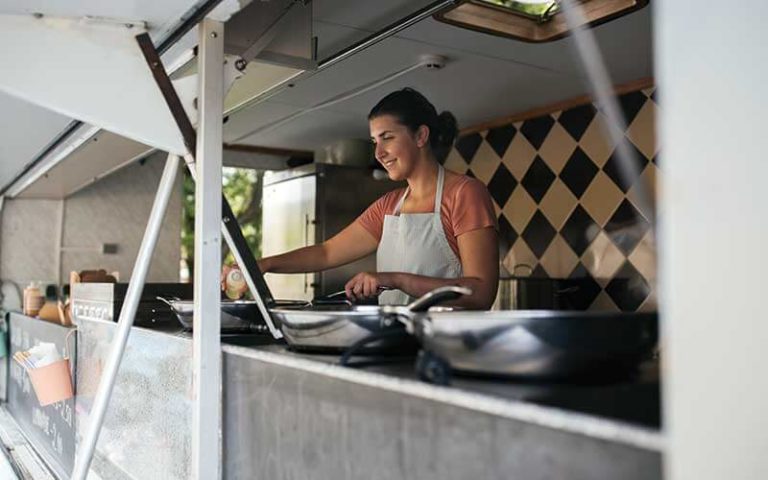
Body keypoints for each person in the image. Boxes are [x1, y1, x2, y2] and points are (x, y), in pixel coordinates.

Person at [258, 88, 499, 309]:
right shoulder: (389, 206)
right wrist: (265, 265)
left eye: (387, 137)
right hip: (396, 344)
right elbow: (326, 252)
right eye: (375, 141)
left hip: (446, 346)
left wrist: (394, 279)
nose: (379, 153)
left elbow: (481, 292)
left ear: (420, 136)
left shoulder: (464, 194)